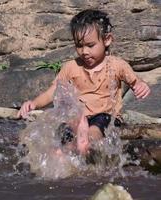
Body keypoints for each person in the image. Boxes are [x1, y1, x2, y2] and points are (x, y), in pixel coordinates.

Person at [17, 9, 150, 155]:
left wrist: (140, 86)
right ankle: (67, 149)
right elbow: (53, 91)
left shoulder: (117, 65)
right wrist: (34, 103)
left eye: (90, 45)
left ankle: (86, 140)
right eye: (79, 46)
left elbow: (136, 82)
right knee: (67, 134)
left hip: (106, 117)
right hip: (79, 117)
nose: (84, 51)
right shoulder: (71, 67)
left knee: (96, 129)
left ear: (107, 40)